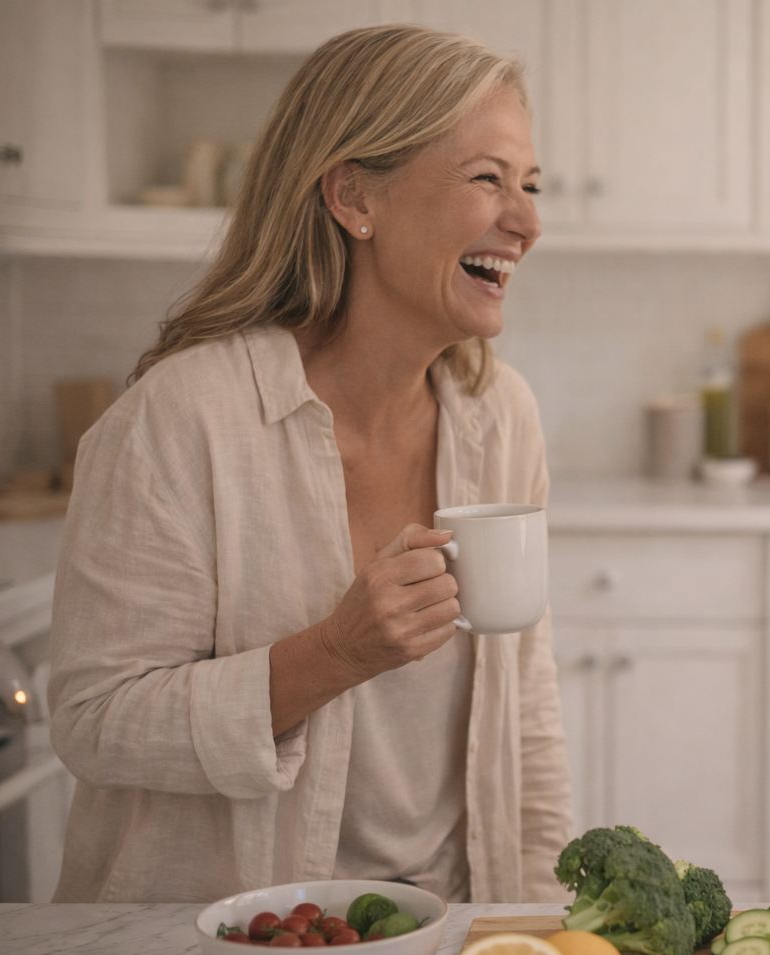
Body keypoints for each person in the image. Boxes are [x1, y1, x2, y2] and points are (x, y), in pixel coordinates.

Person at [48, 25, 571, 904]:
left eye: (529, 185)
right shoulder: (183, 420)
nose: (526, 220)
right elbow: (96, 721)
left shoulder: (500, 417)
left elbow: (527, 711)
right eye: (487, 179)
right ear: (352, 196)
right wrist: (333, 653)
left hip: (441, 934)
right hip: (232, 951)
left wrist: (546, 923)